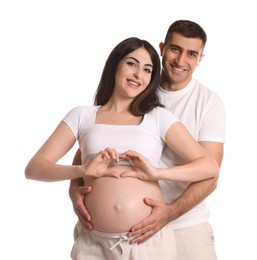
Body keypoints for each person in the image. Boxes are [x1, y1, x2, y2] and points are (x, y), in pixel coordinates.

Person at [25, 36, 218, 260]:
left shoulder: (158, 117)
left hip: (146, 243)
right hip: (92, 244)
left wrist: (156, 173)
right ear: (115, 64)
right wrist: (82, 170)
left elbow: (209, 167)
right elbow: (34, 168)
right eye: (131, 63)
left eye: (147, 69)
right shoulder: (81, 115)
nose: (138, 74)